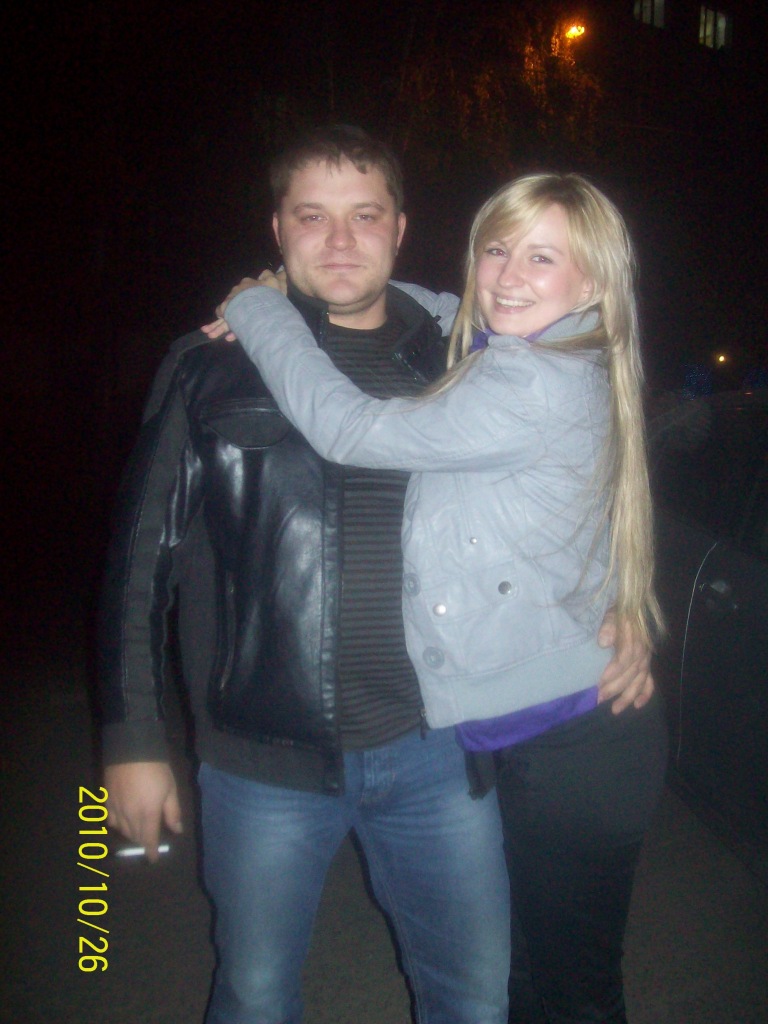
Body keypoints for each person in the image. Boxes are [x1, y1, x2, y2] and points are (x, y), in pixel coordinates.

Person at [101, 123, 652, 1024]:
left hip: (435, 746)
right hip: (264, 759)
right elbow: (136, 563)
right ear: (277, 230)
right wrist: (131, 736)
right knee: (255, 995)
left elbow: (591, 481)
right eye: (311, 216)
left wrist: (622, 603)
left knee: (473, 996)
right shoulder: (208, 365)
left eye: (365, 215)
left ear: (400, 229)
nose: (339, 240)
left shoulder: (459, 355)